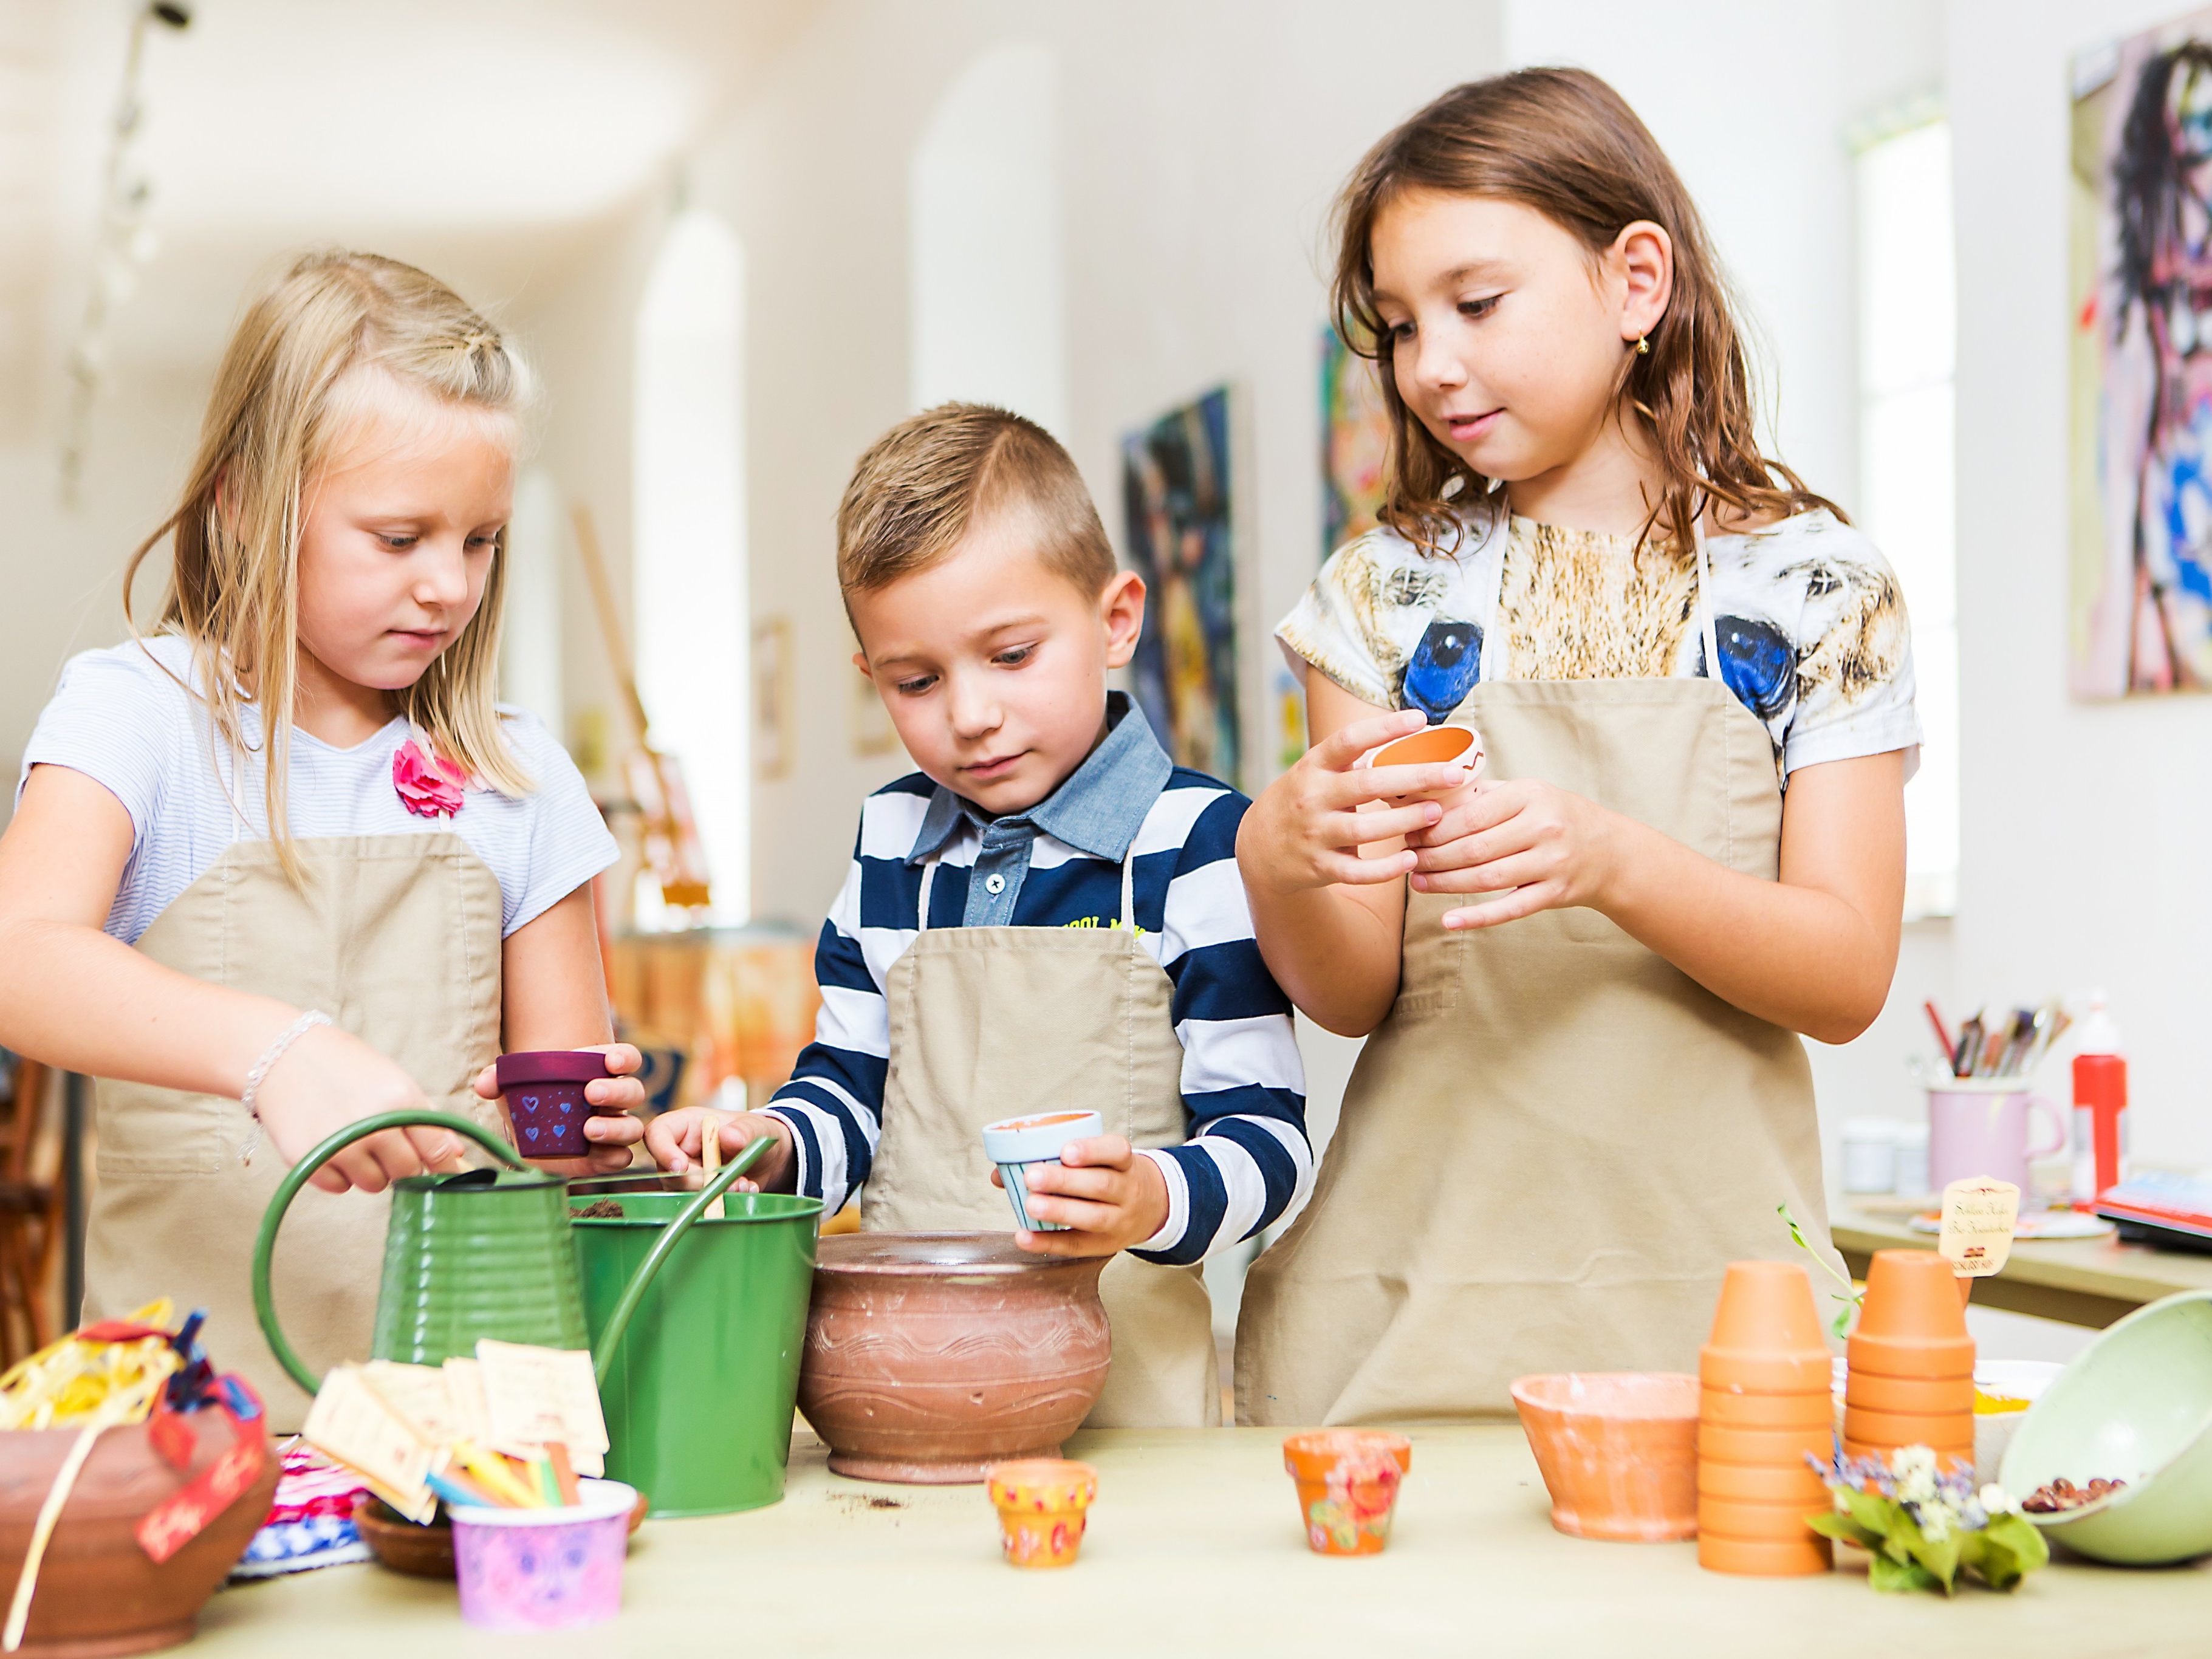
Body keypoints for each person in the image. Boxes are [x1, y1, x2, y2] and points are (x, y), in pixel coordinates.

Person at [1234, 69, 1919, 1425]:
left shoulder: (1819, 589)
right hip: (1407, 1315)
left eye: (1476, 303)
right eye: (1400, 327)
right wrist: (1280, 853)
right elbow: (1356, 991)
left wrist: (1610, 858)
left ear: (1636, 282)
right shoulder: (1384, 597)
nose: (1431, 362)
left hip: (1716, 1316)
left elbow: (1844, 976)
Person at [0, 251, 645, 1426]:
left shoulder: (519, 777)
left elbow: (561, 1139)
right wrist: (280, 1052)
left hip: (461, 1416)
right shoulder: (140, 714)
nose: (449, 587)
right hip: (186, 1422)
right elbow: (20, 955)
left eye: (481, 540)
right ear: (250, 503)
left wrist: (586, 1138)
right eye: (399, 538)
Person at [647, 404, 1310, 1426]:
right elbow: (846, 1096)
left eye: (1010, 657)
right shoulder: (888, 843)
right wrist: (766, 1149)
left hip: (1128, 1411)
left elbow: (1267, 1136)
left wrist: (1153, 1197)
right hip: (909, 1391)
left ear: (1116, 620)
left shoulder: (1200, 843)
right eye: (917, 681)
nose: (969, 715)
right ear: (872, 678)